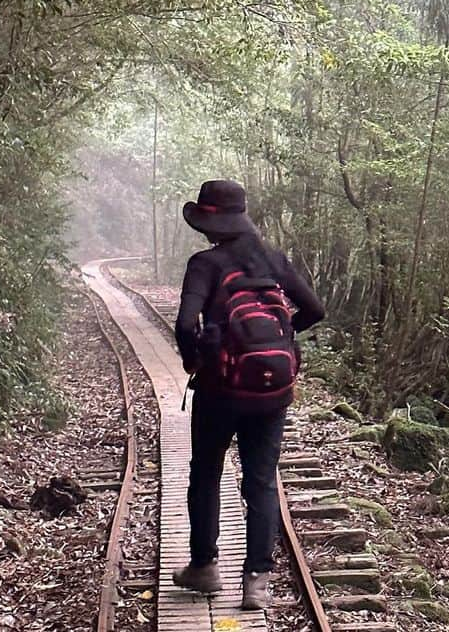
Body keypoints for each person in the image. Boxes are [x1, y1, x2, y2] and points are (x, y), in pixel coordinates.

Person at [171, 179, 325, 611]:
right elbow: (315, 309)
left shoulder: (206, 264)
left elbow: (185, 325)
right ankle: (256, 583)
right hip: (273, 392)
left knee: (206, 473)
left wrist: (194, 360)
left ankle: (204, 567)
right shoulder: (272, 259)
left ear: (210, 223)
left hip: (220, 391)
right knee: (260, 481)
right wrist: (278, 339)